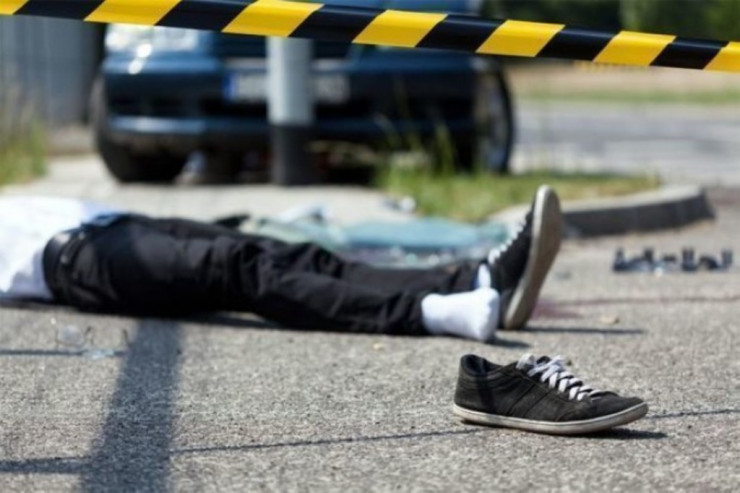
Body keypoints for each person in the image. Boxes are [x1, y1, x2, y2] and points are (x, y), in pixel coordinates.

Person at [0, 186, 562, 341]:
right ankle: (433, 313)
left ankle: (477, 278)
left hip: (108, 222)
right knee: (236, 267)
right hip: (73, 261)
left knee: (289, 253)